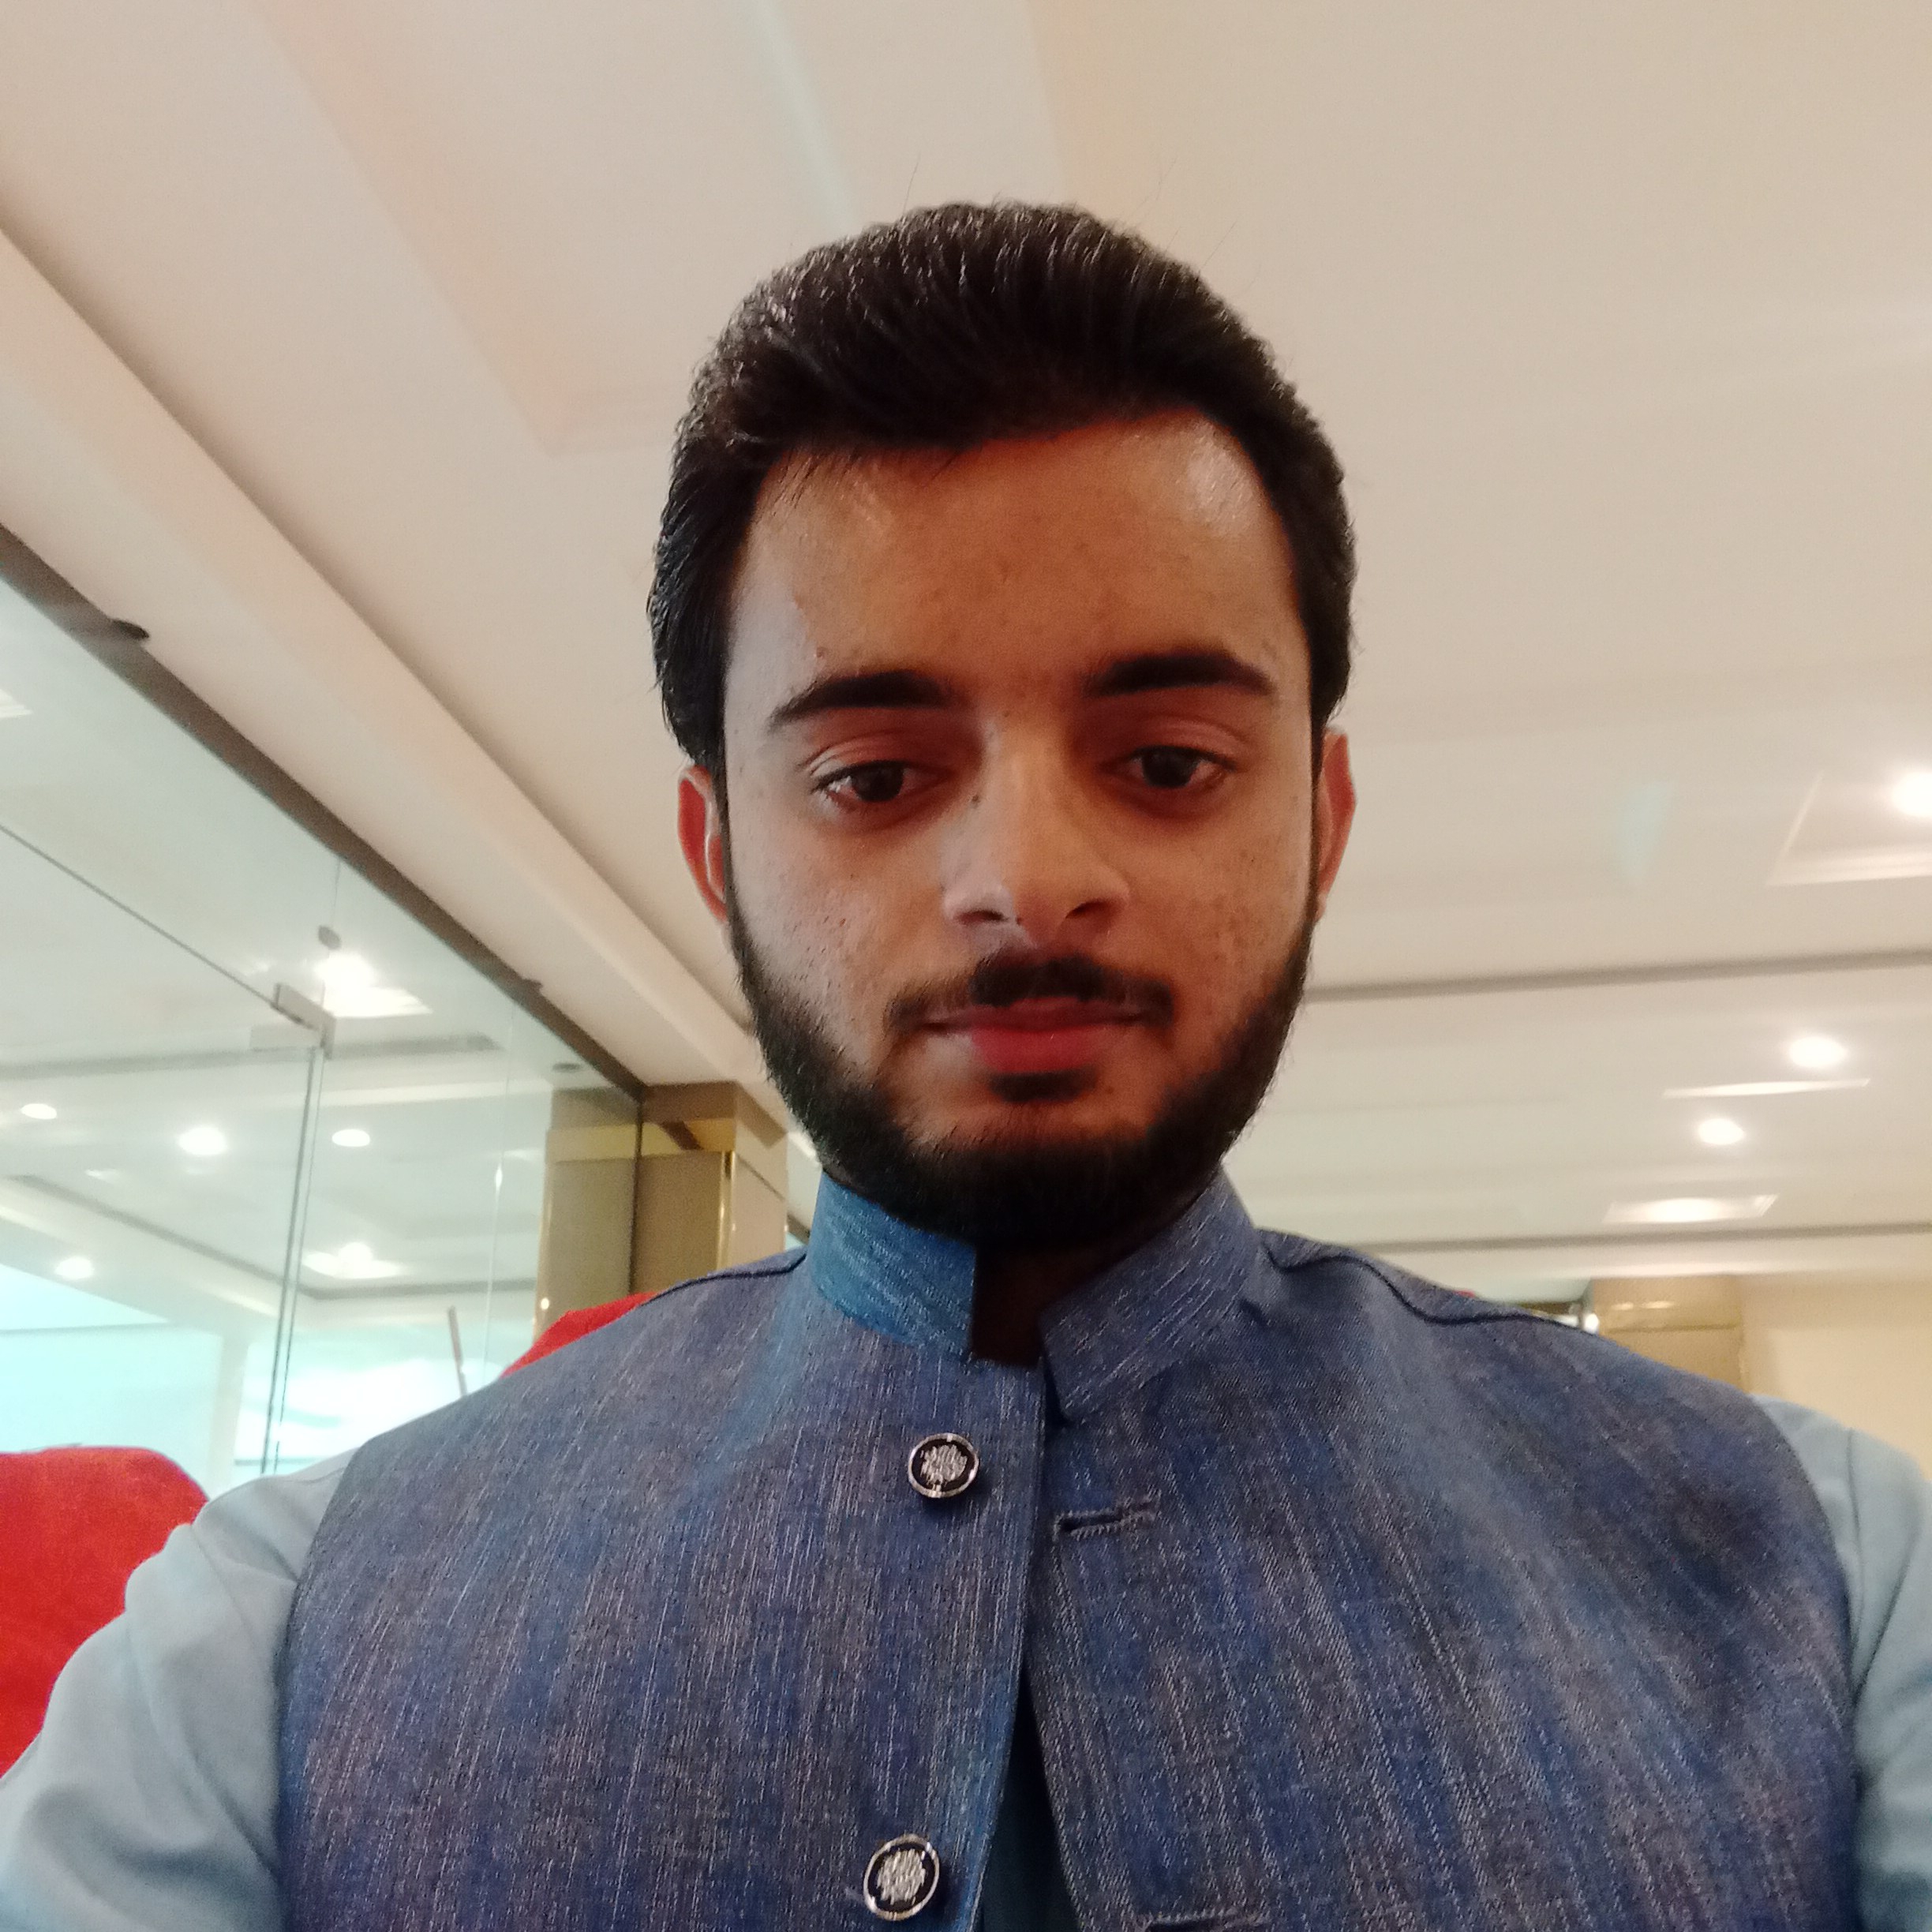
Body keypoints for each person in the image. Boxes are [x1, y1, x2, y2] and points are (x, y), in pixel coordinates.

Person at [2, 201, 1928, 1931]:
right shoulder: (268, 1628)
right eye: (874, 776)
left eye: (1165, 761)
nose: (1026, 877)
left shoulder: (1829, 1571)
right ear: (717, 851)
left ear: (1321, 821)